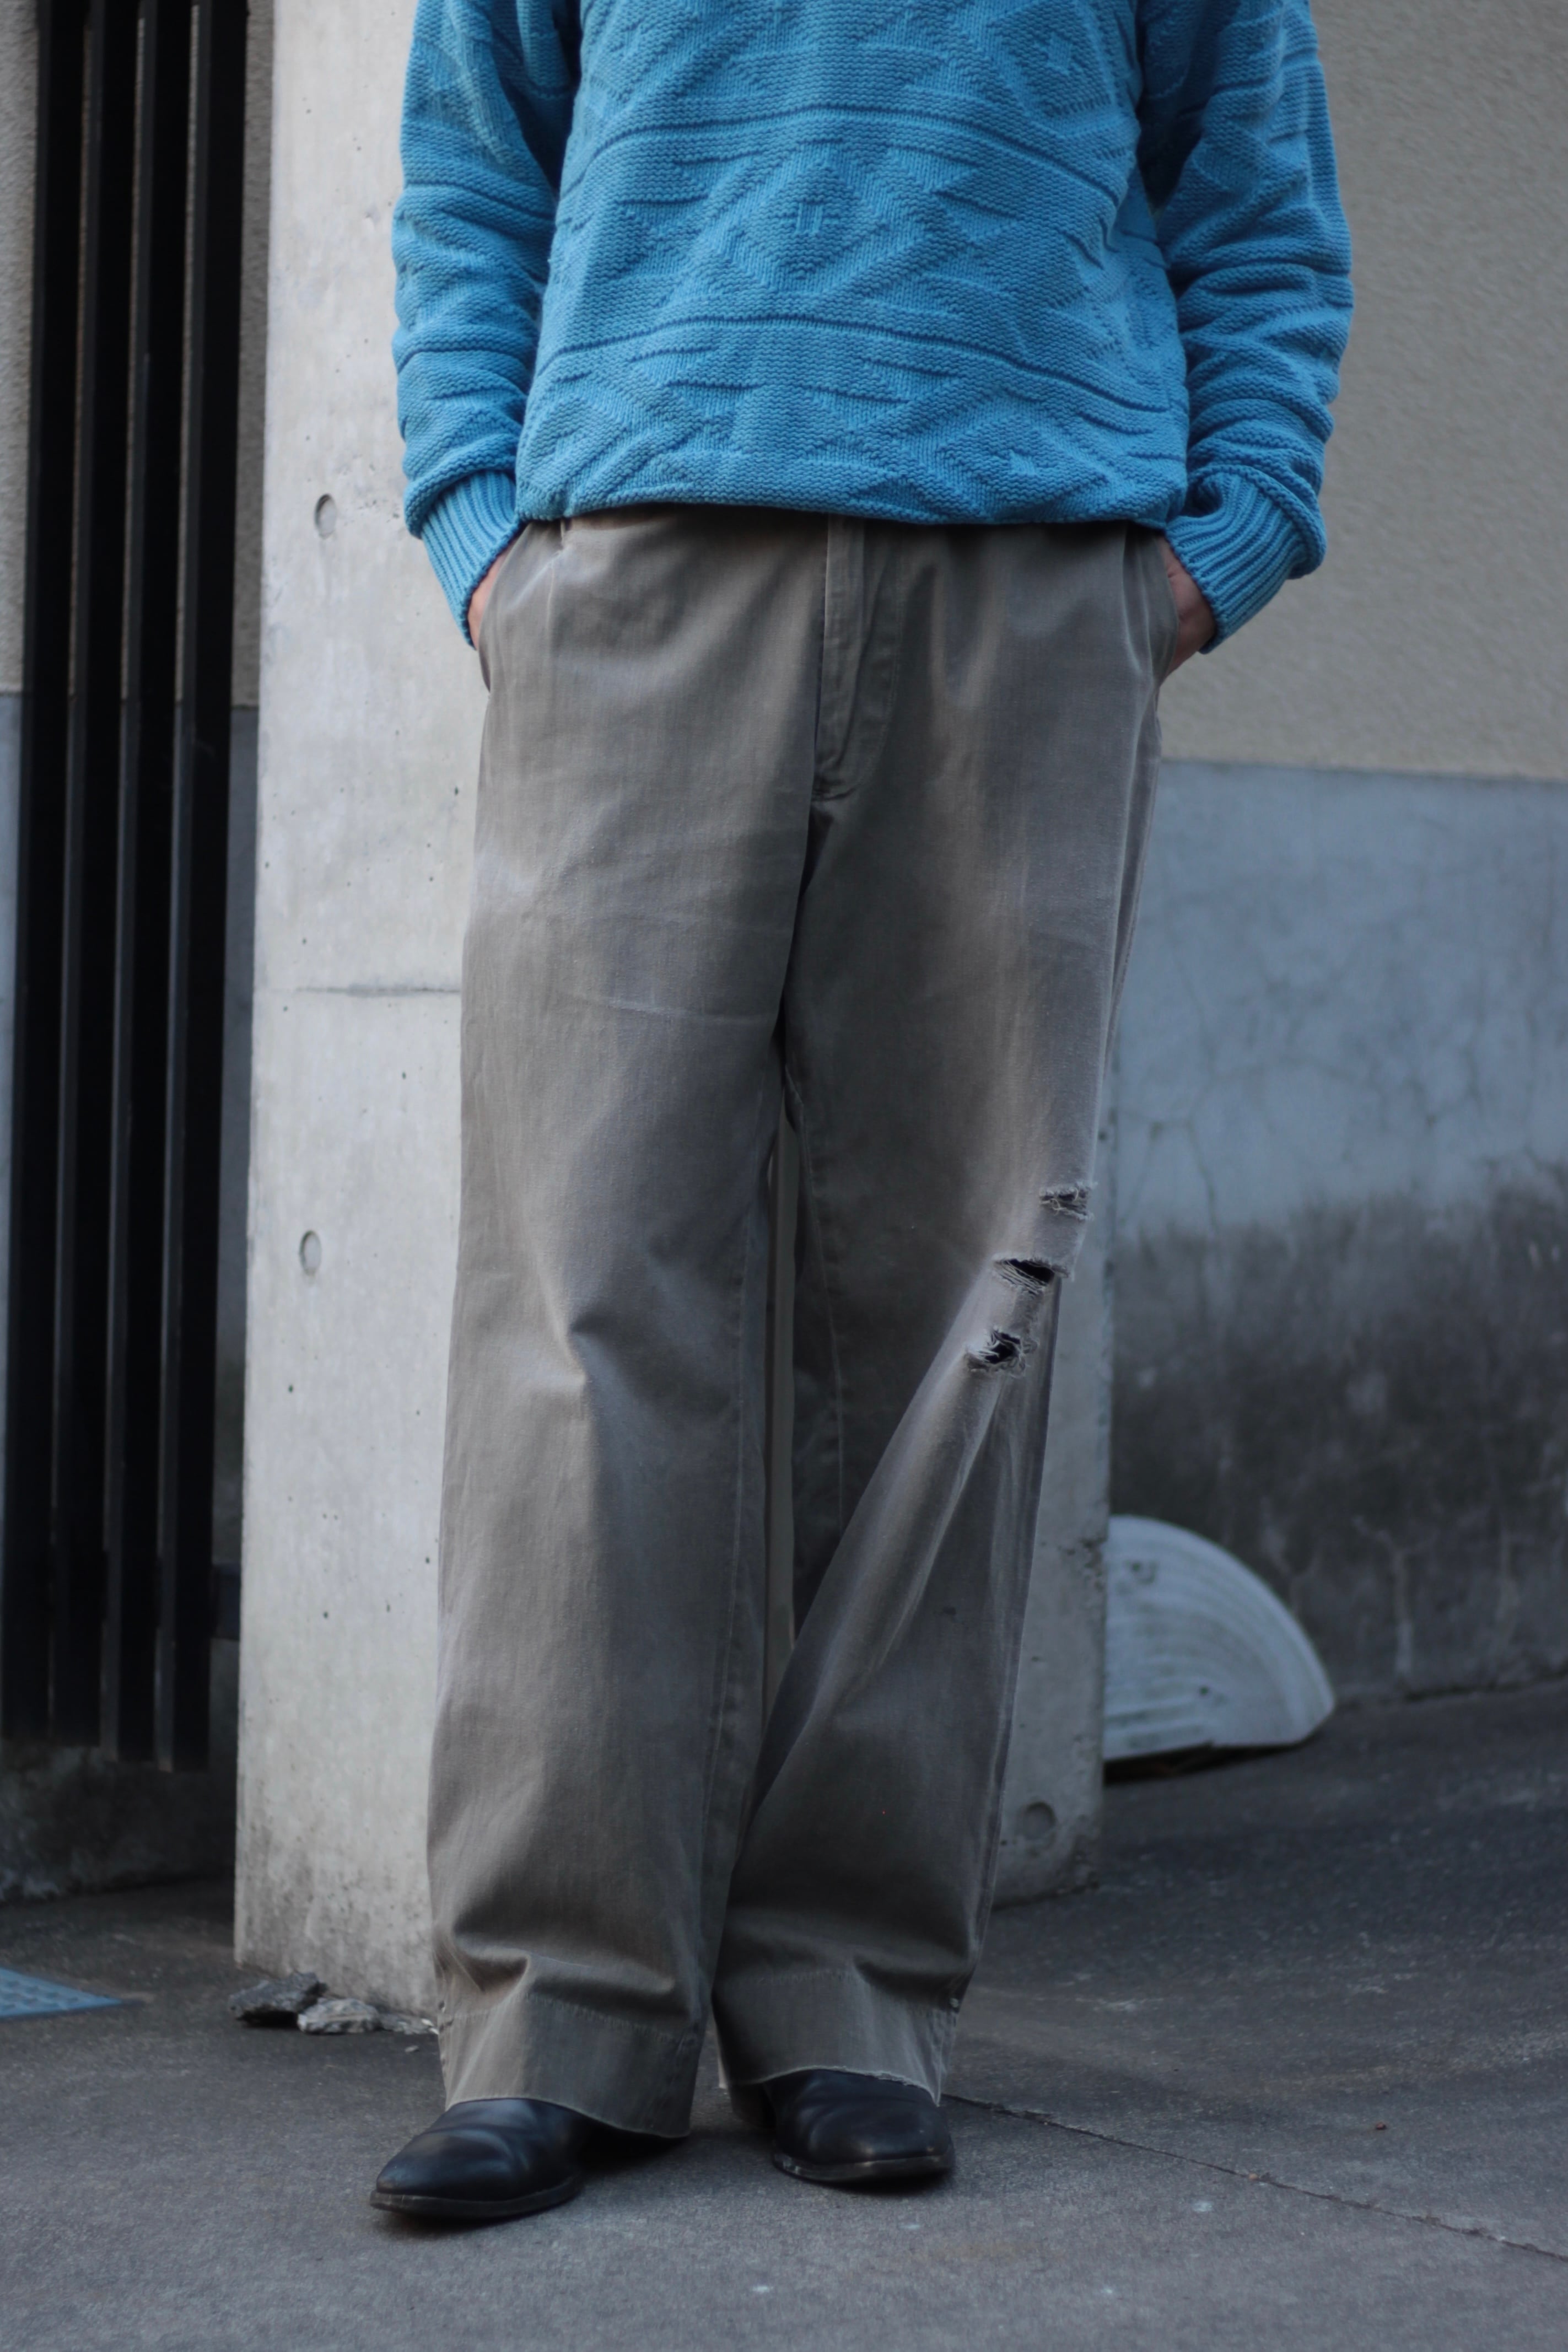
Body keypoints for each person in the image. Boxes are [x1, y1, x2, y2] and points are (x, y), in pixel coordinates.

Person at [371, 0, 1351, 2223]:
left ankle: (851, 1995)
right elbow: (475, 163)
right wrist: (484, 540)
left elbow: (1255, 189)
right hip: (636, 564)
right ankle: (558, 2014)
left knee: (957, 1307)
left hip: (1029, 583)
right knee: (579, 1295)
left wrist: (1217, 546)